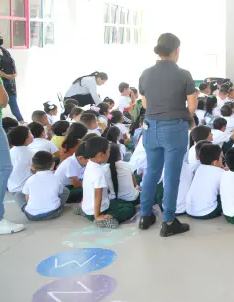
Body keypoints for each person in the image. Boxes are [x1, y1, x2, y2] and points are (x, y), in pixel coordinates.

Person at [138, 33, 196, 237]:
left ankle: (145, 216)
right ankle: (169, 222)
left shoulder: (145, 74)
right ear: (176, 50)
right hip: (173, 129)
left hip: (150, 128)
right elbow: (192, 106)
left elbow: (145, 104)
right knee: (171, 176)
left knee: (151, 172)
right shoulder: (184, 74)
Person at [80, 137, 136, 229]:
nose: (109, 154)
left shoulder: (89, 165)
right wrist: (97, 215)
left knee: (117, 202)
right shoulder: (98, 172)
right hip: (98, 211)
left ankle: (85, 212)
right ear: (101, 154)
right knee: (129, 208)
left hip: (87, 208)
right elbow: (98, 195)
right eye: (108, 152)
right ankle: (105, 220)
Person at [15, 151, 69, 221]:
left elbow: (27, 198)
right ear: (53, 165)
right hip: (53, 213)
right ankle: (60, 206)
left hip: (32, 216)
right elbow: (60, 193)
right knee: (65, 190)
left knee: (18, 194)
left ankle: (29, 208)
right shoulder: (56, 178)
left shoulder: (30, 180)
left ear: (32, 166)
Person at [186, 143, 224, 219]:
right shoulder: (221, 173)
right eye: (221, 157)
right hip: (207, 213)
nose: (222, 158)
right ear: (215, 162)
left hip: (189, 211)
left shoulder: (199, 168)